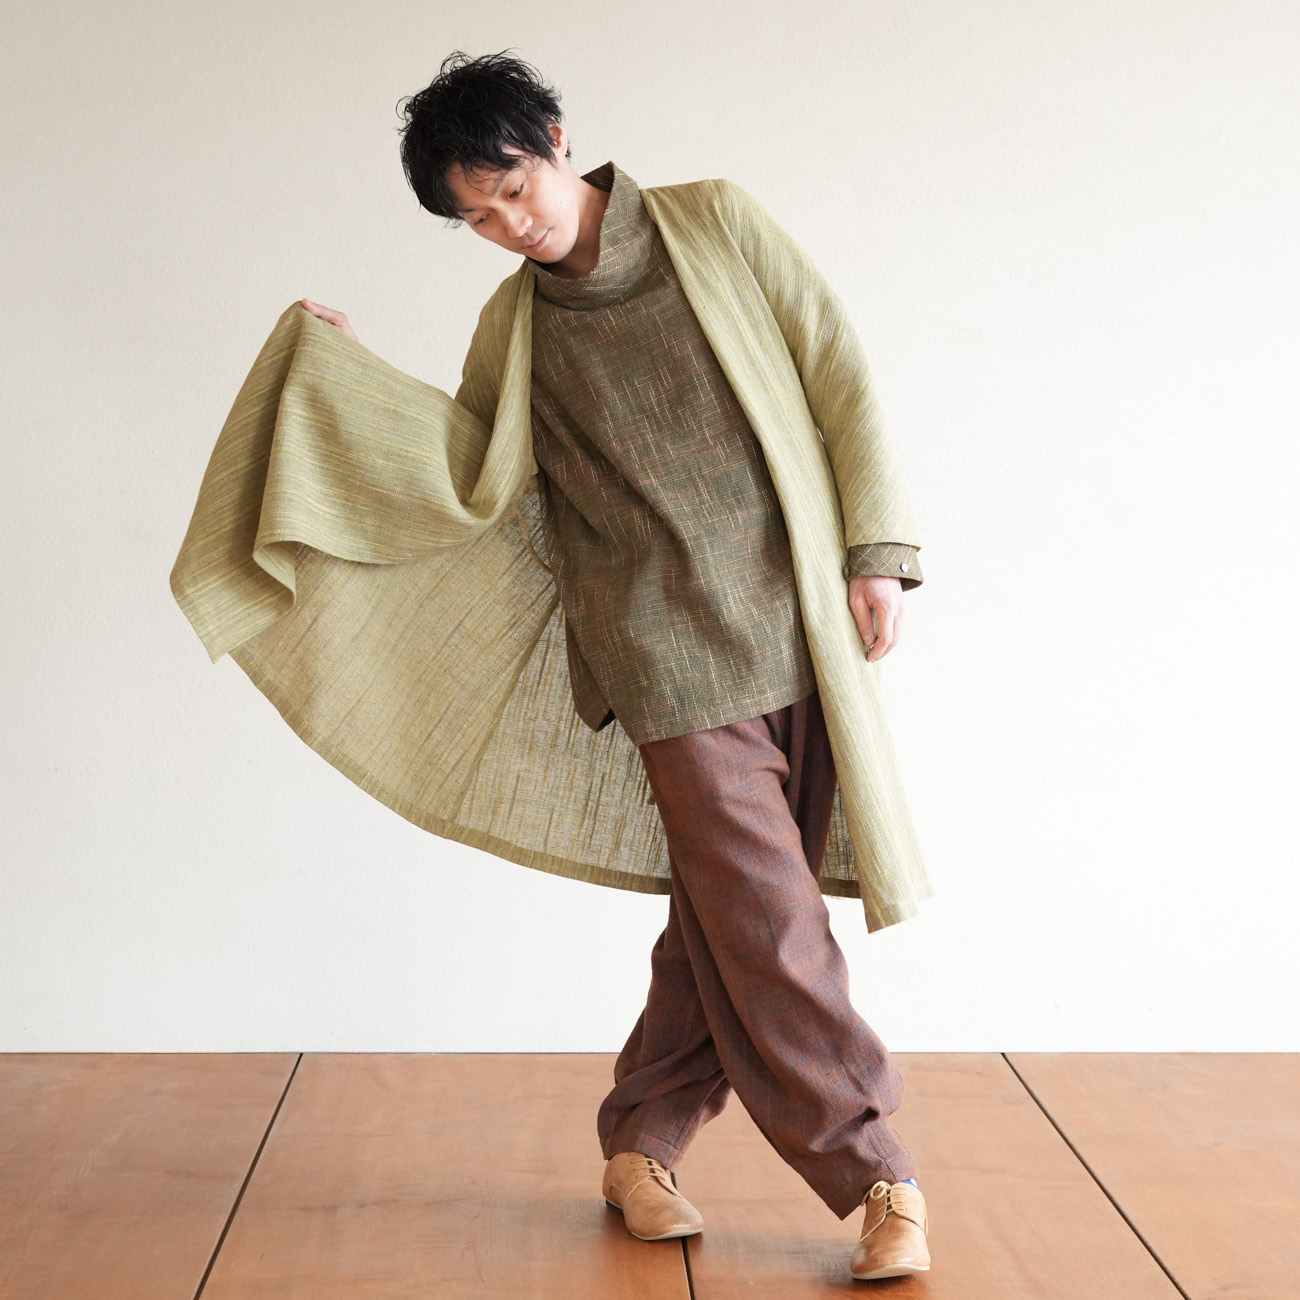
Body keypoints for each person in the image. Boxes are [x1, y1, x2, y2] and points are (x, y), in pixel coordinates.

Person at [301, 48, 930, 1283]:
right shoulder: (516, 325)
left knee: (725, 917)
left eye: (513, 188)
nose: (511, 225)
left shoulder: (715, 224)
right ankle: (876, 1174)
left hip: (798, 624)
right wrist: (346, 377)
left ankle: (641, 1140)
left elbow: (837, 371)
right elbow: (467, 471)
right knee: (769, 920)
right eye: (479, 219)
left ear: (555, 138)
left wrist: (876, 552)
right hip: (659, 656)